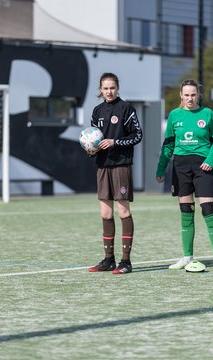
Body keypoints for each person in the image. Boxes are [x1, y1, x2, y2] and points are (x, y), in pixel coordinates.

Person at [156, 79, 213, 271]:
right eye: (186, 95)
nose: (190, 98)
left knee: (208, 209)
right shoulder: (174, 115)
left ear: (198, 95)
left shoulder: (207, 114)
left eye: (193, 94)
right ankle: (187, 256)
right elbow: (168, 145)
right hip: (181, 166)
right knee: (186, 212)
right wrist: (160, 168)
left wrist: (209, 160)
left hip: (202, 166)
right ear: (181, 95)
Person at [88, 72, 142, 274]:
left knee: (123, 211)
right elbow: (93, 138)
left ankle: (126, 262)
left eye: (112, 87)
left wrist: (115, 142)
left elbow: (138, 135)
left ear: (117, 88)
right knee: (105, 212)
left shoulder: (126, 108)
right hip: (102, 165)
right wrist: (90, 149)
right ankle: (108, 260)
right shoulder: (97, 111)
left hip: (121, 164)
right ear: (100, 90)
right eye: (105, 88)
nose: (109, 91)